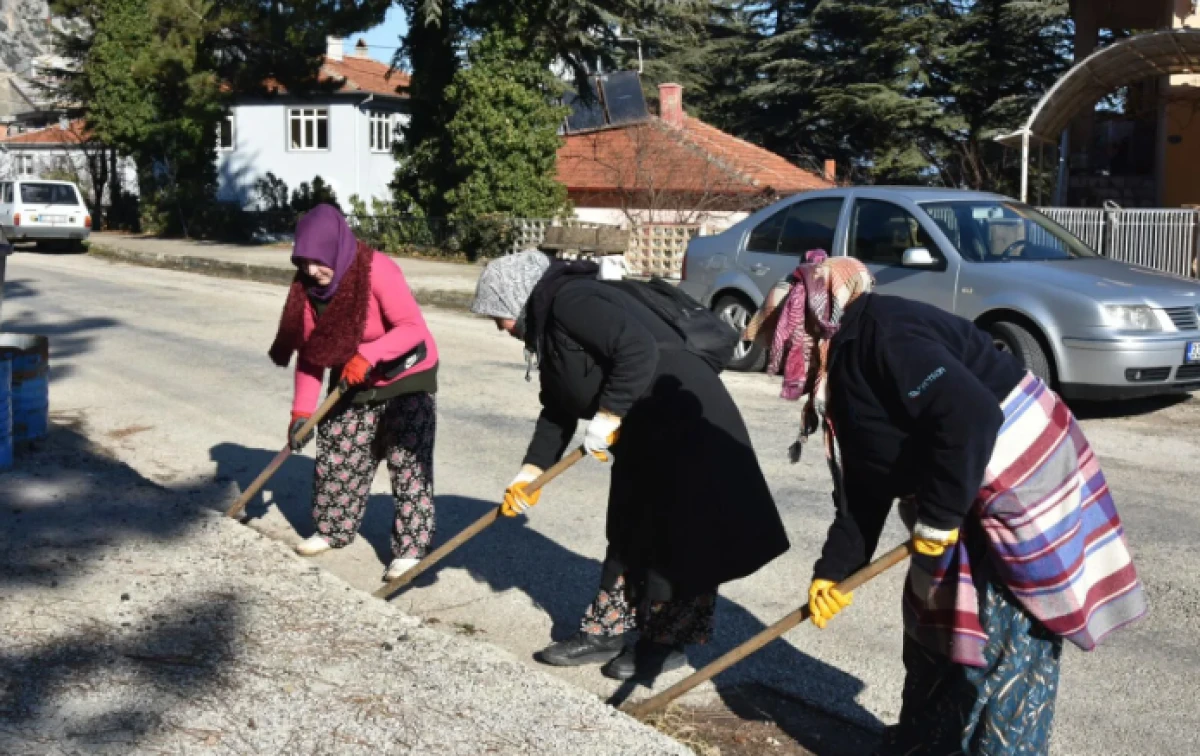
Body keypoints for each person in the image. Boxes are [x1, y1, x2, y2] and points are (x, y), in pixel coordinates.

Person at [768, 256, 1146, 754]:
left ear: (817, 314)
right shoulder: (843, 365)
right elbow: (867, 481)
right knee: (935, 619)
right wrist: (833, 570)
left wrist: (941, 518)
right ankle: (928, 744)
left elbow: (971, 414)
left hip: (1015, 477)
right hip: (957, 483)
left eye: (786, 324)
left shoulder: (884, 334)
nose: (781, 340)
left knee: (998, 637)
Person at [470, 250, 789, 682]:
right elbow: (557, 408)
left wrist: (608, 415)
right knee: (626, 529)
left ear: (517, 297)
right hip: (641, 426)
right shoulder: (549, 324)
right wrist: (531, 471)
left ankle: (664, 642)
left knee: (676, 538)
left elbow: (637, 351)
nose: (500, 327)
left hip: (684, 421)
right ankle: (606, 631)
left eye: (499, 315)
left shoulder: (573, 301)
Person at [268, 204, 440, 582]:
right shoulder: (309, 290)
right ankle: (334, 528)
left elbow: (412, 327)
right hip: (353, 376)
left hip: (406, 372)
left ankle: (410, 549)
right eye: (303, 261)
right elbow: (312, 357)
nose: (312, 271)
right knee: (339, 450)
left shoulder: (377, 269)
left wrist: (370, 354)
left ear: (335, 247)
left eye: (318, 260)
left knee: (406, 460)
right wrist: (300, 413)